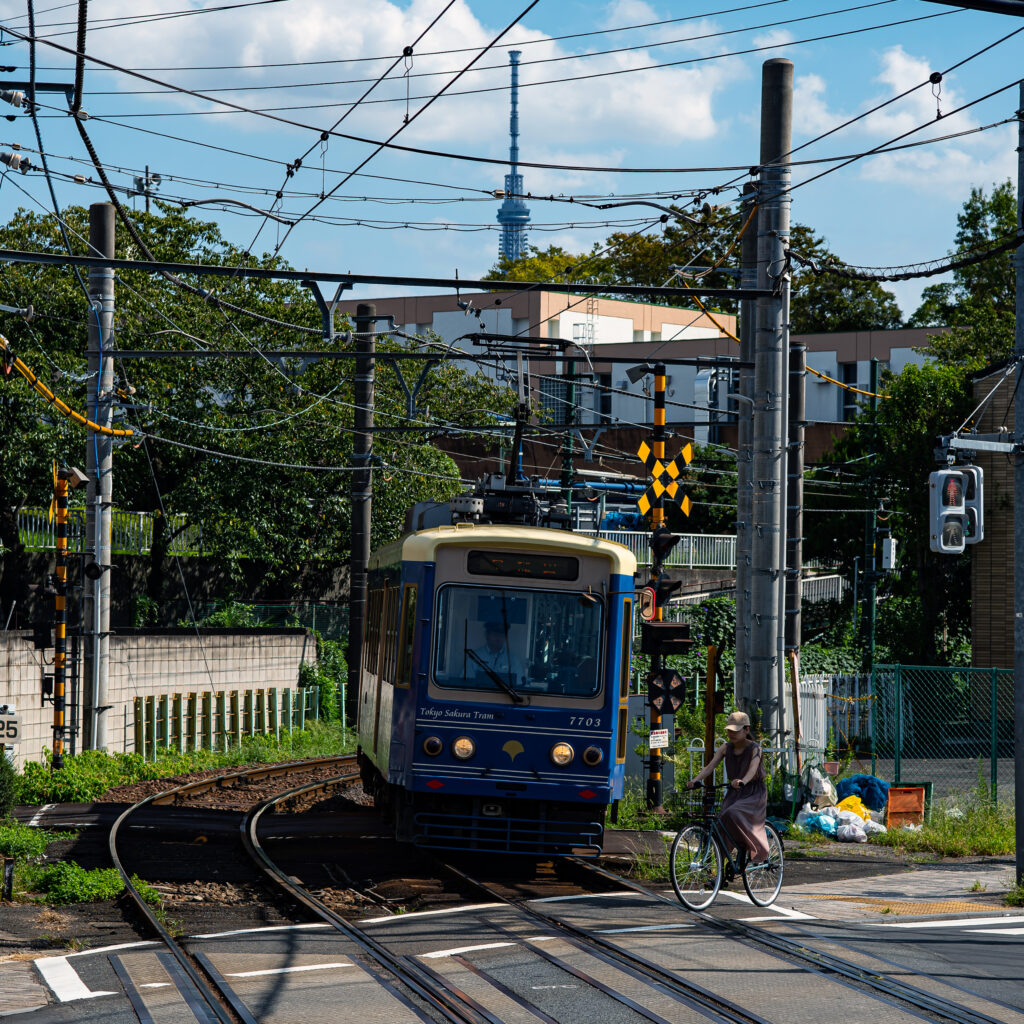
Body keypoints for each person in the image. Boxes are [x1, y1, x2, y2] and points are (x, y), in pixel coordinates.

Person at [686, 710, 770, 867]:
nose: (731, 733)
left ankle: (756, 849)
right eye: (729, 730)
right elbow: (710, 766)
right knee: (721, 825)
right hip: (735, 792)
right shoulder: (725, 747)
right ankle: (721, 871)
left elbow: (752, 769)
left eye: (736, 730)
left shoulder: (755, 748)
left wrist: (742, 781)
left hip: (753, 793)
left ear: (746, 729)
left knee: (733, 813)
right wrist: (695, 780)